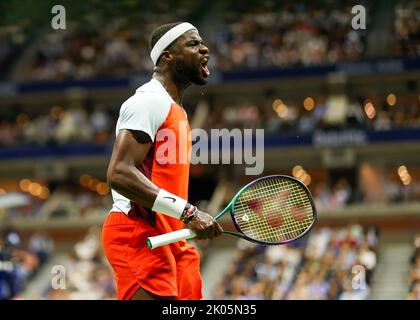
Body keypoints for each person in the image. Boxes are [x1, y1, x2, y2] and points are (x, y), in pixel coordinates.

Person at [102, 22, 223, 300]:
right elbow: (119, 173)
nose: (204, 48)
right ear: (167, 56)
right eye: (193, 44)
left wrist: (183, 219)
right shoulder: (148, 101)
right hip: (138, 231)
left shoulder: (176, 109)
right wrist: (189, 213)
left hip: (172, 234)